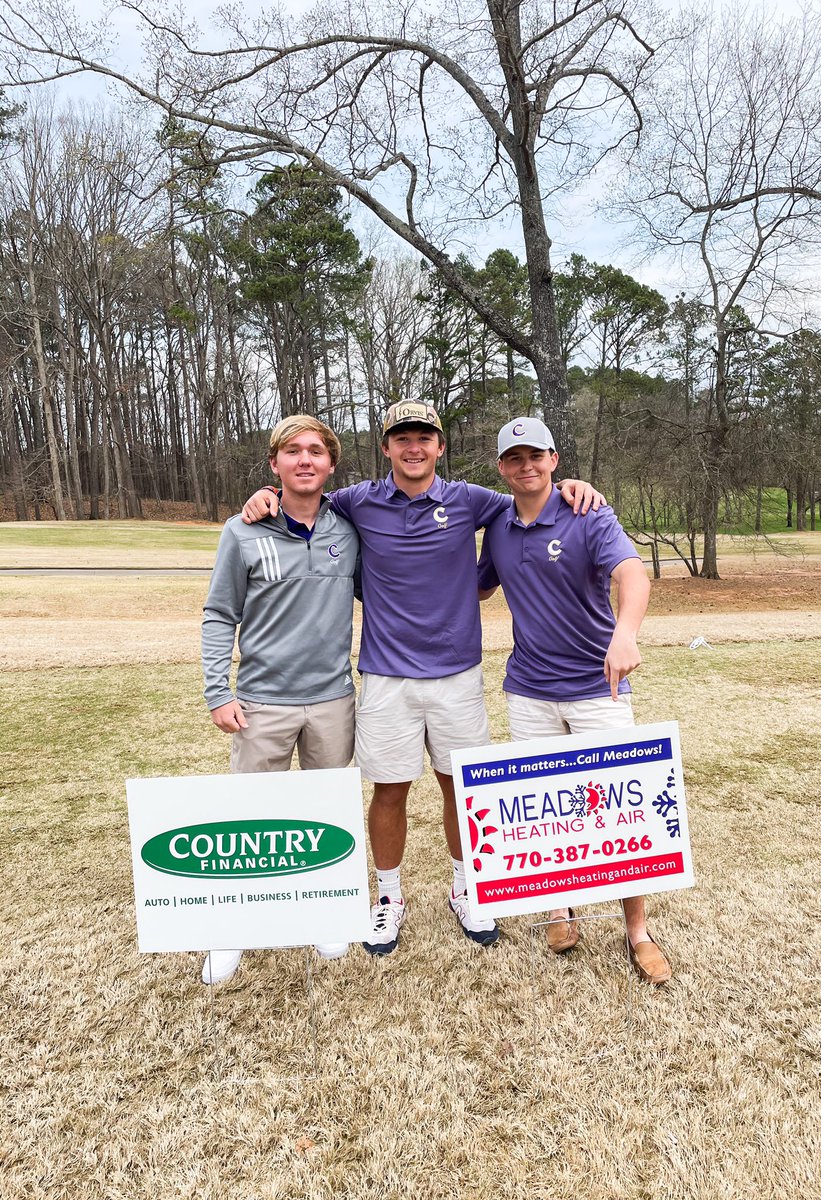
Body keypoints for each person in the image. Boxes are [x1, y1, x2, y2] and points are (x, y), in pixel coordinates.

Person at [241, 400, 601, 956]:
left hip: (457, 674)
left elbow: (533, 494)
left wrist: (573, 483)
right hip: (386, 677)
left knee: (459, 787)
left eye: (424, 437)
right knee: (390, 789)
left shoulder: (470, 500)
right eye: (401, 438)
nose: (414, 447)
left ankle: (466, 889)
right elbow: (304, 497)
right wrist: (266, 497)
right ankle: (389, 899)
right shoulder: (357, 501)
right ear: (386, 447)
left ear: (439, 447)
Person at [477, 416, 671, 984]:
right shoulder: (500, 526)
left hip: (597, 687)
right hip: (530, 690)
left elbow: (632, 573)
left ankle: (637, 931)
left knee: (617, 810)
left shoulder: (588, 512)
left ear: (554, 459)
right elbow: (480, 583)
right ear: (501, 468)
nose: (526, 466)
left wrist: (626, 632)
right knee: (544, 808)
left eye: (535, 455)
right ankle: (559, 909)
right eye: (514, 458)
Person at [200, 414, 360, 984]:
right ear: (275, 465)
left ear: (331, 464)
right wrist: (218, 691)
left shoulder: (349, 527)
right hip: (262, 700)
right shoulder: (241, 530)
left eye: (316, 450)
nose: (305, 460)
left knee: (322, 813)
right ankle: (233, 929)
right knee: (252, 818)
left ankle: (323, 912)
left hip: (333, 699)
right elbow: (221, 613)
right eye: (292, 451)